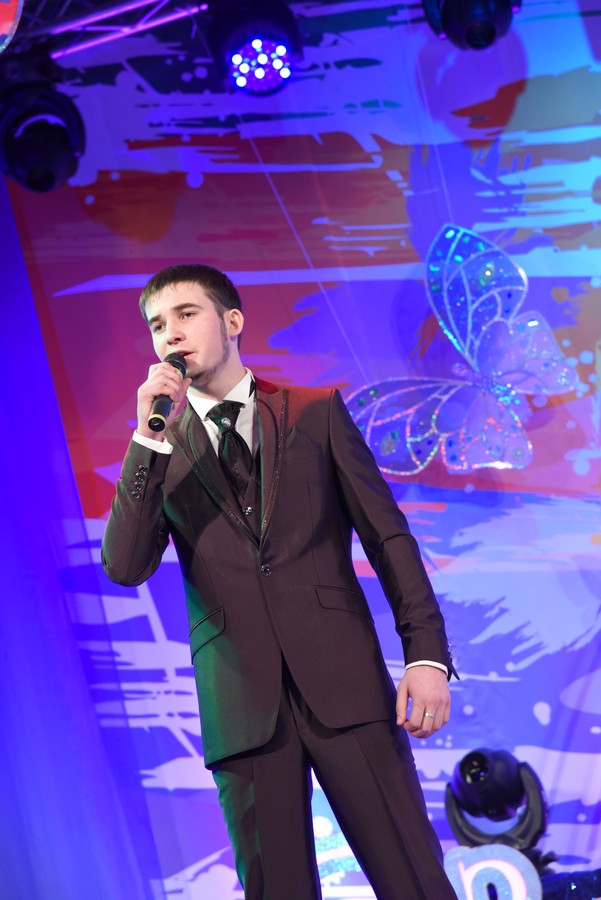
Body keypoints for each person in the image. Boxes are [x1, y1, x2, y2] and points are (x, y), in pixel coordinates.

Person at [102, 263, 458, 900]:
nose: (169, 334)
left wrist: (425, 654)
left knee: (413, 878)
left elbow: (389, 539)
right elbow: (126, 567)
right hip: (241, 706)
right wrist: (147, 439)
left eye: (186, 314)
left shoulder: (315, 414)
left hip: (346, 685)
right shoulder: (159, 452)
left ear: (233, 321)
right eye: (156, 325)